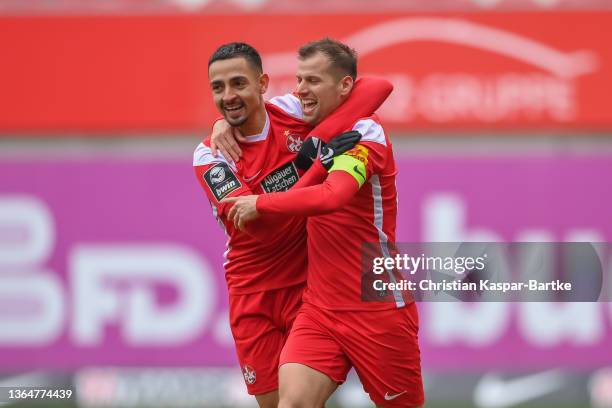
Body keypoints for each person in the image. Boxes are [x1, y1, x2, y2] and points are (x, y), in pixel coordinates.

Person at [225, 39, 424, 408]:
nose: (300, 90)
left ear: (345, 86)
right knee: (294, 403)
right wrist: (222, 122)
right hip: (319, 310)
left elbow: (333, 195)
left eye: (313, 81)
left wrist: (262, 203)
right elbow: (248, 111)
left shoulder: (367, 134)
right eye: (299, 79)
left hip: (377, 308)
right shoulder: (308, 120)